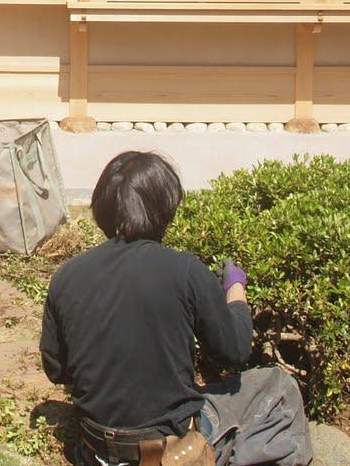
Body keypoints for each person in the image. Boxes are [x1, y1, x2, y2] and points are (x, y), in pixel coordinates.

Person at [40, 151, 312, 466]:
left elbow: (56, 370)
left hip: (97, 449)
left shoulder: (68, 275)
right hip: (168, 450)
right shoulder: (184, 270)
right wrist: (235, 288)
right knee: (278, 386)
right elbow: (235, 351)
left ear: (101, 207)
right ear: (164, 209)